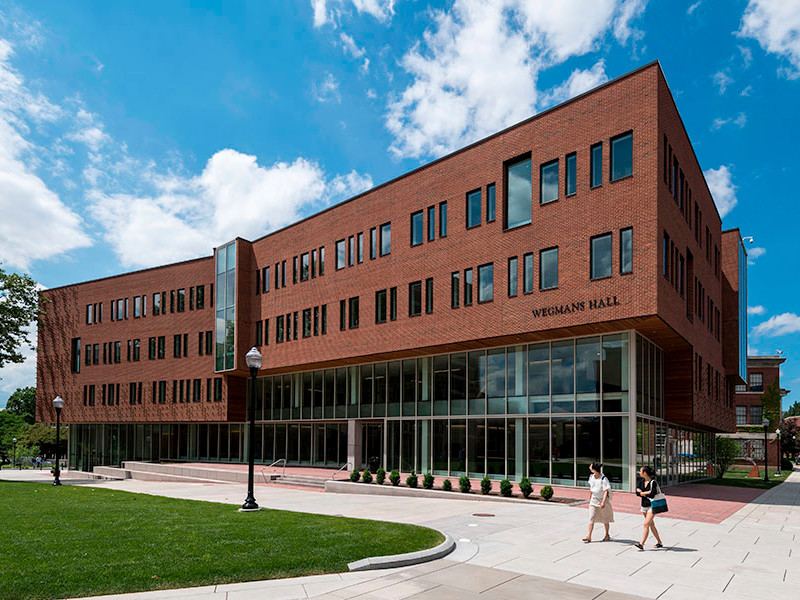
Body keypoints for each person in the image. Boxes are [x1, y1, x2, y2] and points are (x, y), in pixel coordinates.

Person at [582, 462, 613, 542]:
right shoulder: (591, 477)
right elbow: (591, 489)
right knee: (591, 518)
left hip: (602, 500)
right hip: (594, 500)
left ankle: (607, 535)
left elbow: (606, 491)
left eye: (591, 466)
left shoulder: (603, 478)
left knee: (605, 518)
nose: (589, 467)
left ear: (594, 469)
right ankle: (589, 536)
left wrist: (603, 502)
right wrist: (590, 499)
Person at [634, 465, 663, 550]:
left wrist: (642, 493)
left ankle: (641, 544)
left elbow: (652, 494)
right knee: (651, 525)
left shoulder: (653, 482)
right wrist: (646, 492)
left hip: (652, 506)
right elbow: (637, 493)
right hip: (644, 506)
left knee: (646, 524)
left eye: (640, 471)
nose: (639, 472)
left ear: (645, 473)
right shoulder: (641, 481)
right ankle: (659, 542)